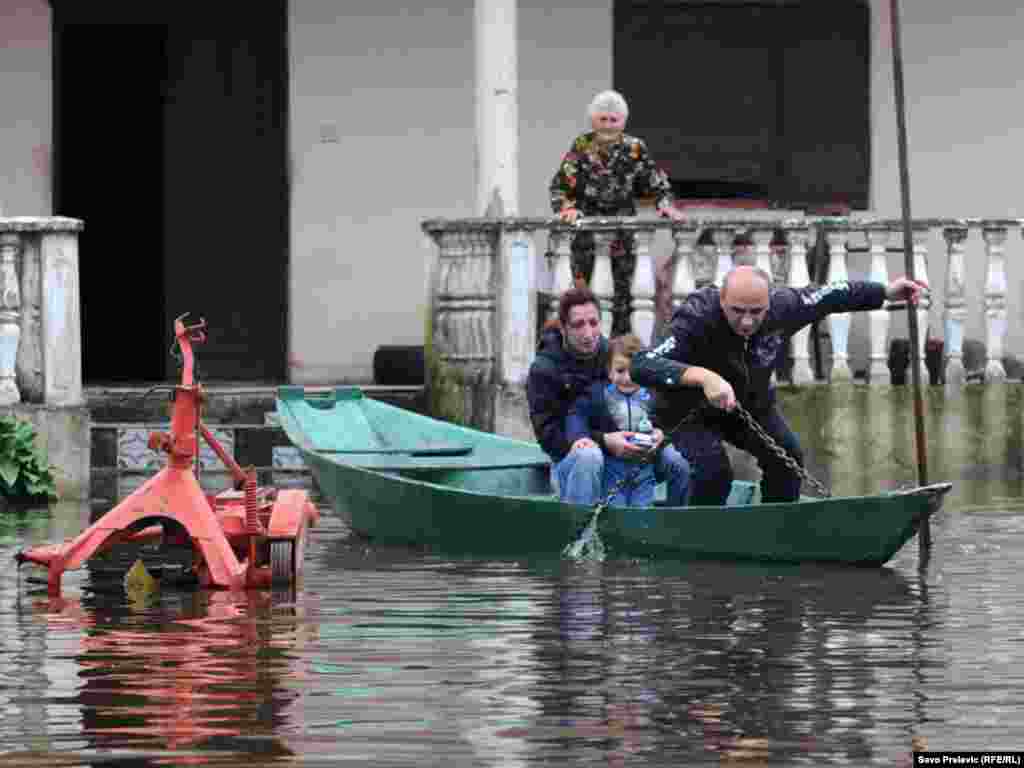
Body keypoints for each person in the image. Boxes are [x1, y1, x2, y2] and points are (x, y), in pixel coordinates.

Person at [631, 265, 928, 506]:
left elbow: (832, 295)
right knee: (714, 471)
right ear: (720, 300)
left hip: (748, 407)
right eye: (736, 311)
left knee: (788, 458)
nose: (747, 322)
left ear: (769, 303)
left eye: (756, 312)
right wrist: (705, 377)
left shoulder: (785, 306)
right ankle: (699, 539)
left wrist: (885, 292)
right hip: (687, 412)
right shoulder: (696, 315)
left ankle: (776, 526)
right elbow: (642, 364)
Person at [526, 286, 690, 506]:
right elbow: (549, 437)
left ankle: (674, 524)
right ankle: (581, 533)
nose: (588, 333)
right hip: (575, 462)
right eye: (578, 325)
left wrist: (661, 433)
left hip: (631, 452)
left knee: (678, 459)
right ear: (564, 328)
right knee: (589, 456)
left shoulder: (613, 354)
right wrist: (603, 441)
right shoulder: (544, 369)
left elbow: (656, 399)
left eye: (593, 323)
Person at [549, 89, 685, 336]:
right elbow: (560, 187)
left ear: (623, 121)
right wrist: (566, 208)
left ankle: (620, 361)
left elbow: (657, 184)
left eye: (614, 120)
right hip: (585, 239)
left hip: (624, 239)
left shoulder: (635, 148)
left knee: (624, 303)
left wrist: (665, 205)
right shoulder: (581, 146)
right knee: (583, 300)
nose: (608, 126)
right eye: (603, 120)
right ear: (593, 120)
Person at [566, 333, 690, 508]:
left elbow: (667, 422)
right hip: (613, 467)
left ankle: (672, 521)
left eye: (634, 371)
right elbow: (577, 414)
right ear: (609, 371)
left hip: (643, 468)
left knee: (641, 513)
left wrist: (661, 434)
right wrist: (580, 437)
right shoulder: (598, 395)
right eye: (620, 370)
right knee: (615, 510)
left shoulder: (652, 395)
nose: (628, 378)